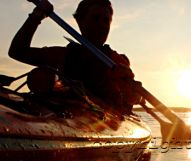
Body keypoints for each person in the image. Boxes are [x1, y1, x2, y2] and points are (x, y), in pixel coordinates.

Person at [8, 0, 141, 114]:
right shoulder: (62, 55)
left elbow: (130, 101)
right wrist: (36, 16)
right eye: (95, 18)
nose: (101, 24)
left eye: (105, 20)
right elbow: (18, 52)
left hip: (104, 119)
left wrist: (132, 94)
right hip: (65, 115)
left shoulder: (117, 62)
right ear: (80, 22)